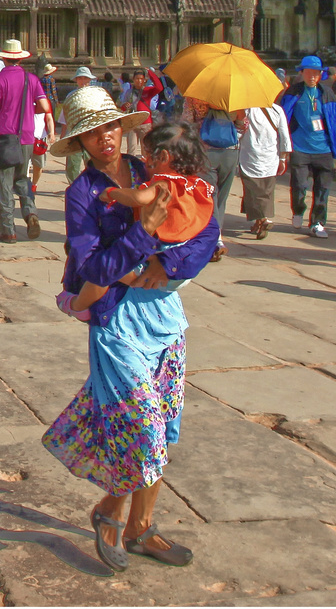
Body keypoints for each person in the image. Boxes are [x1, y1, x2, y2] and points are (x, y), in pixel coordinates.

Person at [43, 86, 207, 571]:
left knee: (165, 423)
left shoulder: (148, 170)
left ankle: (137, 523)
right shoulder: (83, 194)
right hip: (116, 321)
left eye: (110, 128)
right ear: (80, 143)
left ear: (124, 128)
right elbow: (93, 266)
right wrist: (140, 236)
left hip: (164, 313)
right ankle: (113, 514)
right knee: (141, 427)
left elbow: (204, 221)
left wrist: (180, 263)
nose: (104, 139)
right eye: (92, 134)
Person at [0, 39, 51, 243]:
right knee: (22, 179)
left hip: (5, 138)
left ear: (3, 57)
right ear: (20, 58)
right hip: (27, 138)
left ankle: (8, 229)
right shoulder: (31, 79)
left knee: (4, 185)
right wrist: (30, 110)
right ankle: (31, 214)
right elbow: (44, 106)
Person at [100, 124, 217, 253]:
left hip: (162, 247)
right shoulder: (193, 183)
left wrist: (113, 192)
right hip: (185, 244)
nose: (146, 161)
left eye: (149, 155)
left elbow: (139, 198)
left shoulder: (165, 184)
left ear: (163, 157)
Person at [281, 56, 336, 238]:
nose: (312, 77)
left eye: (316, 73)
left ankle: (317, 222)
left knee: (323, 188)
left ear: (320, 75)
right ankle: (298, 209)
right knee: (300, 184)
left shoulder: (326, 93)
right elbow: (282, 116)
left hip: (323, 147)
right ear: (302, 73)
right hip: (300, 146)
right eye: (308, 72)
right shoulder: (294, 92)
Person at [233, 102, 288, 239]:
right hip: (271, 157)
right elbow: (284, 135)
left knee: (253, 191)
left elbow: (238, 134)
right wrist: (283, 158)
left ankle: (263, 220)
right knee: (265, 191)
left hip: (249, 156)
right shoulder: (277, 110)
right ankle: (258, 222)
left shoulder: (245, 110)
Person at [191, 98, 238, 233]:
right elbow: (243, 125)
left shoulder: (195, 97)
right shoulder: (235, 99)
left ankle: (214, 235)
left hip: (205, 151)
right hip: (230, 151)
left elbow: (187, 122)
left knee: (209, 193)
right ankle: (217, 231)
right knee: (222, 197)